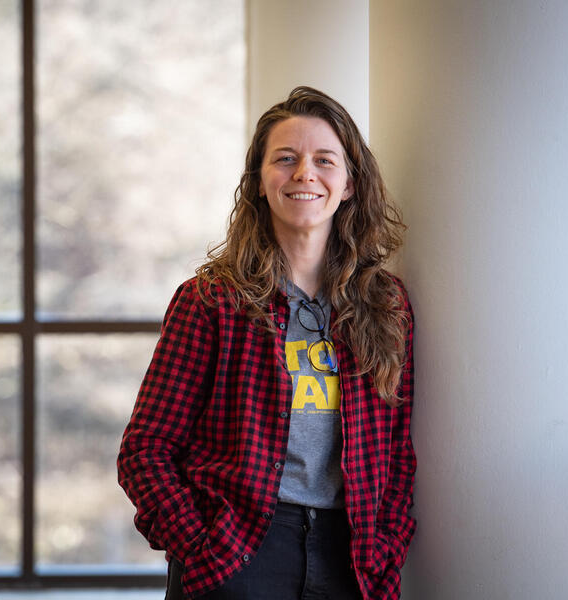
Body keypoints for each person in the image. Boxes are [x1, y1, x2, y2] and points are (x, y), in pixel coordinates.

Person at [117, 86, 416, 600]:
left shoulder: (387, 306)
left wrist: (387, 546)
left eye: (325, 160)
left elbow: (398, 453)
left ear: (348, 184)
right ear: (259, 181)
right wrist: (200, 545)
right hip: (238, 552)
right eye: (285, 159)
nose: (305, 173)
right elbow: (145, 450)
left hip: (353, 558)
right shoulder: (210, 301)